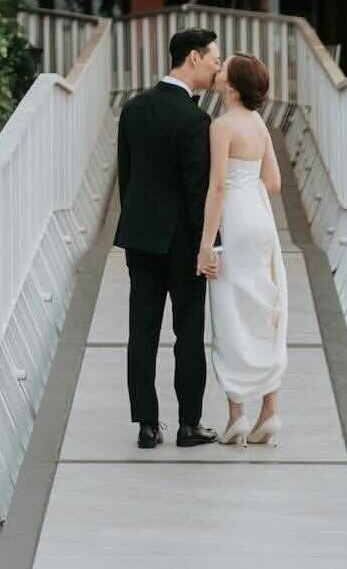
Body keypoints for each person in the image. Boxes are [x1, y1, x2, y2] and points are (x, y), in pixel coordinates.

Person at [114, 28, 220, 449]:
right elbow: (197, 193)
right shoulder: (195, 120)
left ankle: (146, 425)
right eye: (213, 59)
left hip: (140, 236)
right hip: (182, 243)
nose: (216, 68)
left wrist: (135, 223)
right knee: (188, 333)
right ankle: (189, 425)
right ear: (193, 57)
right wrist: (209, 245)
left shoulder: (134, 108)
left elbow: (126, 176)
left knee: (141, 331)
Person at [198, 51, 287, 445]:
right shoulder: (258, 124)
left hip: (233, 221)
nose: (218, 70)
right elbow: (274, 182)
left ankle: (237, 414)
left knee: (230, 312)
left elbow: (217, 188)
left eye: (224, 68)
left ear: (231, 87)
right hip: (260, 218)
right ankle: (270, 410)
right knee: (264, 308)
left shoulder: (221, 126)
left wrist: (206, 245)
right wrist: (247, 186)